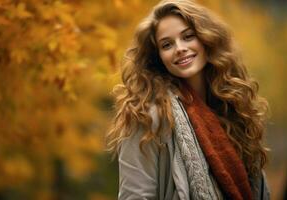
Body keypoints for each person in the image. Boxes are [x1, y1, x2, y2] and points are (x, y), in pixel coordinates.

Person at [106, 0, 270, 199]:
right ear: (158, 56)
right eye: (167, 44)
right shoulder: (146, 114)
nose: (180, 48)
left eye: (188, 37)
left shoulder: (232, 106)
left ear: (207, 39)